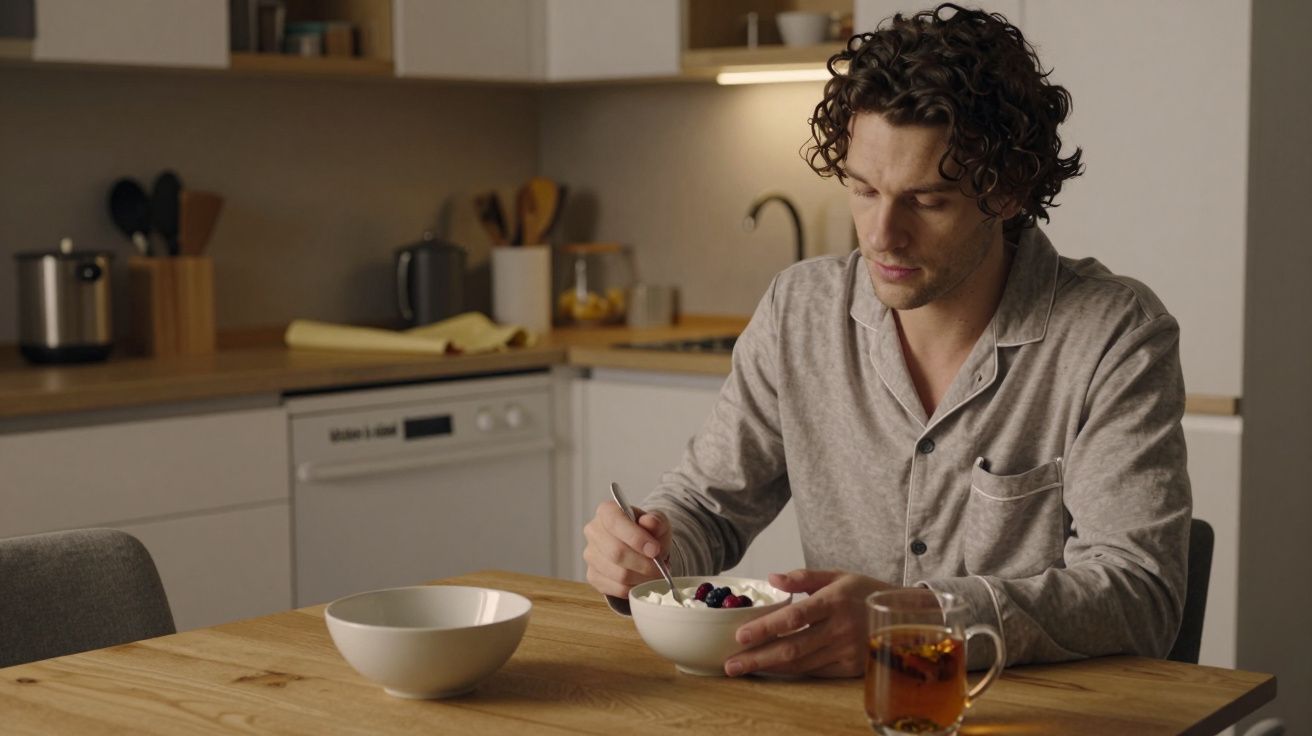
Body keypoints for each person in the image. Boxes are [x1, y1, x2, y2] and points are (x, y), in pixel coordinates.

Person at [583, 3, 1190, 678]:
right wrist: (648, 549)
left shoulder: (1114, 337)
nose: (881, 235)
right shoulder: (799, 312)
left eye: (926, 201)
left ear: (1008, 192)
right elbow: (707, 507)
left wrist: (911, 620)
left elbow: (1141, 596)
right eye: (863, 189)